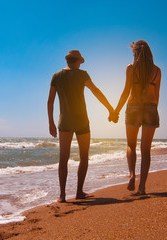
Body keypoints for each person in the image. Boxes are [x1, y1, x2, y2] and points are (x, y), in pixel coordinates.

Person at [47, 50, 114, 203]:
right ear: (78, 61)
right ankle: (78, 192)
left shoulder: (56, 76)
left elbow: (50, 101)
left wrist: (50, 122)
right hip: (81, 120)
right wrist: (110, 109)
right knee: (84, 157)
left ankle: (62, 195)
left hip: (64, 122)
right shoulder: (82, 74)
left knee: (63, 158)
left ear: (67, 61)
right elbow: (95, 91)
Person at [110, 40, 161, 195]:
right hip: (151, 108)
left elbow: (126, 92)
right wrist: (153, 111)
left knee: (131, 145)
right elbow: (157, 95)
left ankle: (132, 175)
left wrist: (116, 111)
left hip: (133, 107)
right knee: (146, 150)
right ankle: (142, 187)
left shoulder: (131, 68)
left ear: (136, 53)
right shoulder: (157, 71)